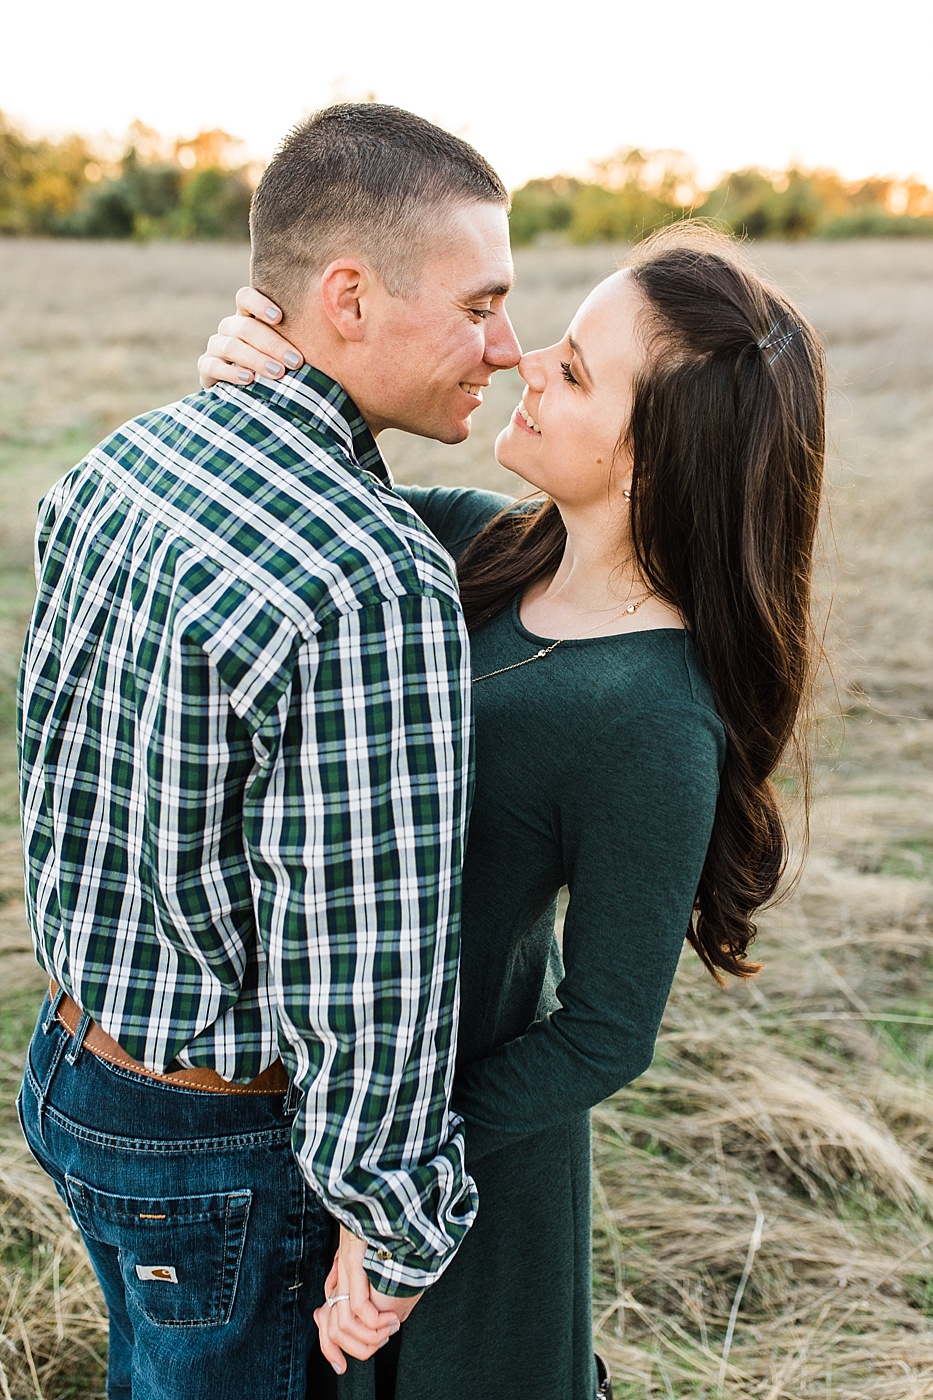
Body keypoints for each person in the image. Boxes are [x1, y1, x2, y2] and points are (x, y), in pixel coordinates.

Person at [199, 221, 826, 1400]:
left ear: (661, 461)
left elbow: (604, 1032)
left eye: (577, 372)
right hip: (333, 1118)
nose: (527, 360)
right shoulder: (480, 545)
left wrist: (404, 1185)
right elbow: (316, 497)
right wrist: (261, 372)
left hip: (461, 1177)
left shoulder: (652, 712)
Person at [16, 103, 523, 1400]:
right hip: (215, 1144)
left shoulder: (126, 460)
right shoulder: (368, 577)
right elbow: (367, 963)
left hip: (75, 1070)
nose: (509, 348)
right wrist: (396, 1225)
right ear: (347, 297)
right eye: (480, 303)